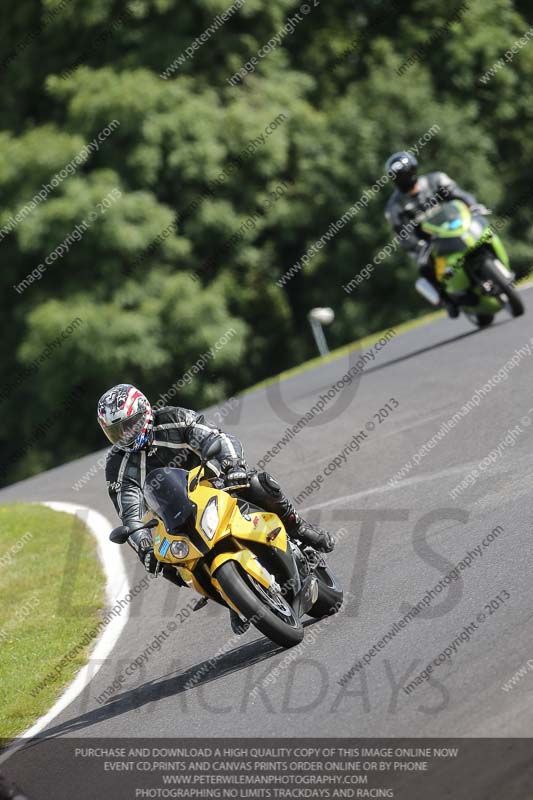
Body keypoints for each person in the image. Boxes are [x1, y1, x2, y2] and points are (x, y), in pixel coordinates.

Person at [98, 384, 335, 633]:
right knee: (167, 560)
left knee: (257, 483)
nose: (125, 434)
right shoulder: (117, 465)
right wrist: (144, 547)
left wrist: (233, 466)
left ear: (144, 412)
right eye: (116, 431)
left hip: (215, 484)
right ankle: (232, 598)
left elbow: (216, 438)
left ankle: (300, 530)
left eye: (130, 425)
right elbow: (129, 514)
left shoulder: (173, 419)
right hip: (172, 516)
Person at [384, 151, 488, 317]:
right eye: (399, 177)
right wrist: (417, 245)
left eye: (406, 173)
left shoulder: (436, 180)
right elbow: (402, 234)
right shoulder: (394, 207)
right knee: (424, 265)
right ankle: (447, 299)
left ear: (413, 170)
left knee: (482, 230)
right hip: (428, 243)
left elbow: (459, 195)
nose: (404, 179)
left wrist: (472, 205)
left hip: (455, 226)